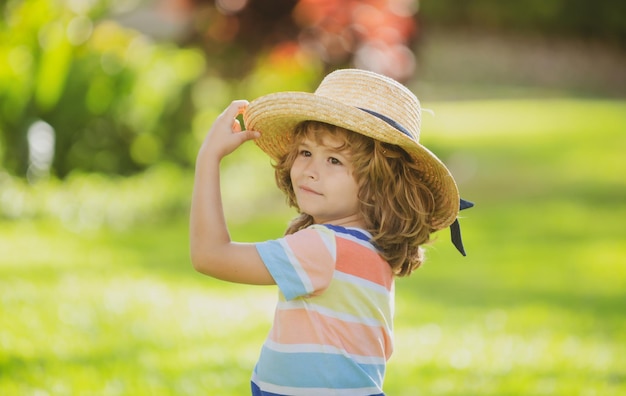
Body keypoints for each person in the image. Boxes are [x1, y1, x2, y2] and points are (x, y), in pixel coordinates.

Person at [189, 69, 472, 395]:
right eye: (306, 153)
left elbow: (209, 256)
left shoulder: (324, 246)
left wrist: (209, 157)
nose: (310, 170)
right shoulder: (371, 247)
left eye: (335, 160)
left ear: (378, 184)